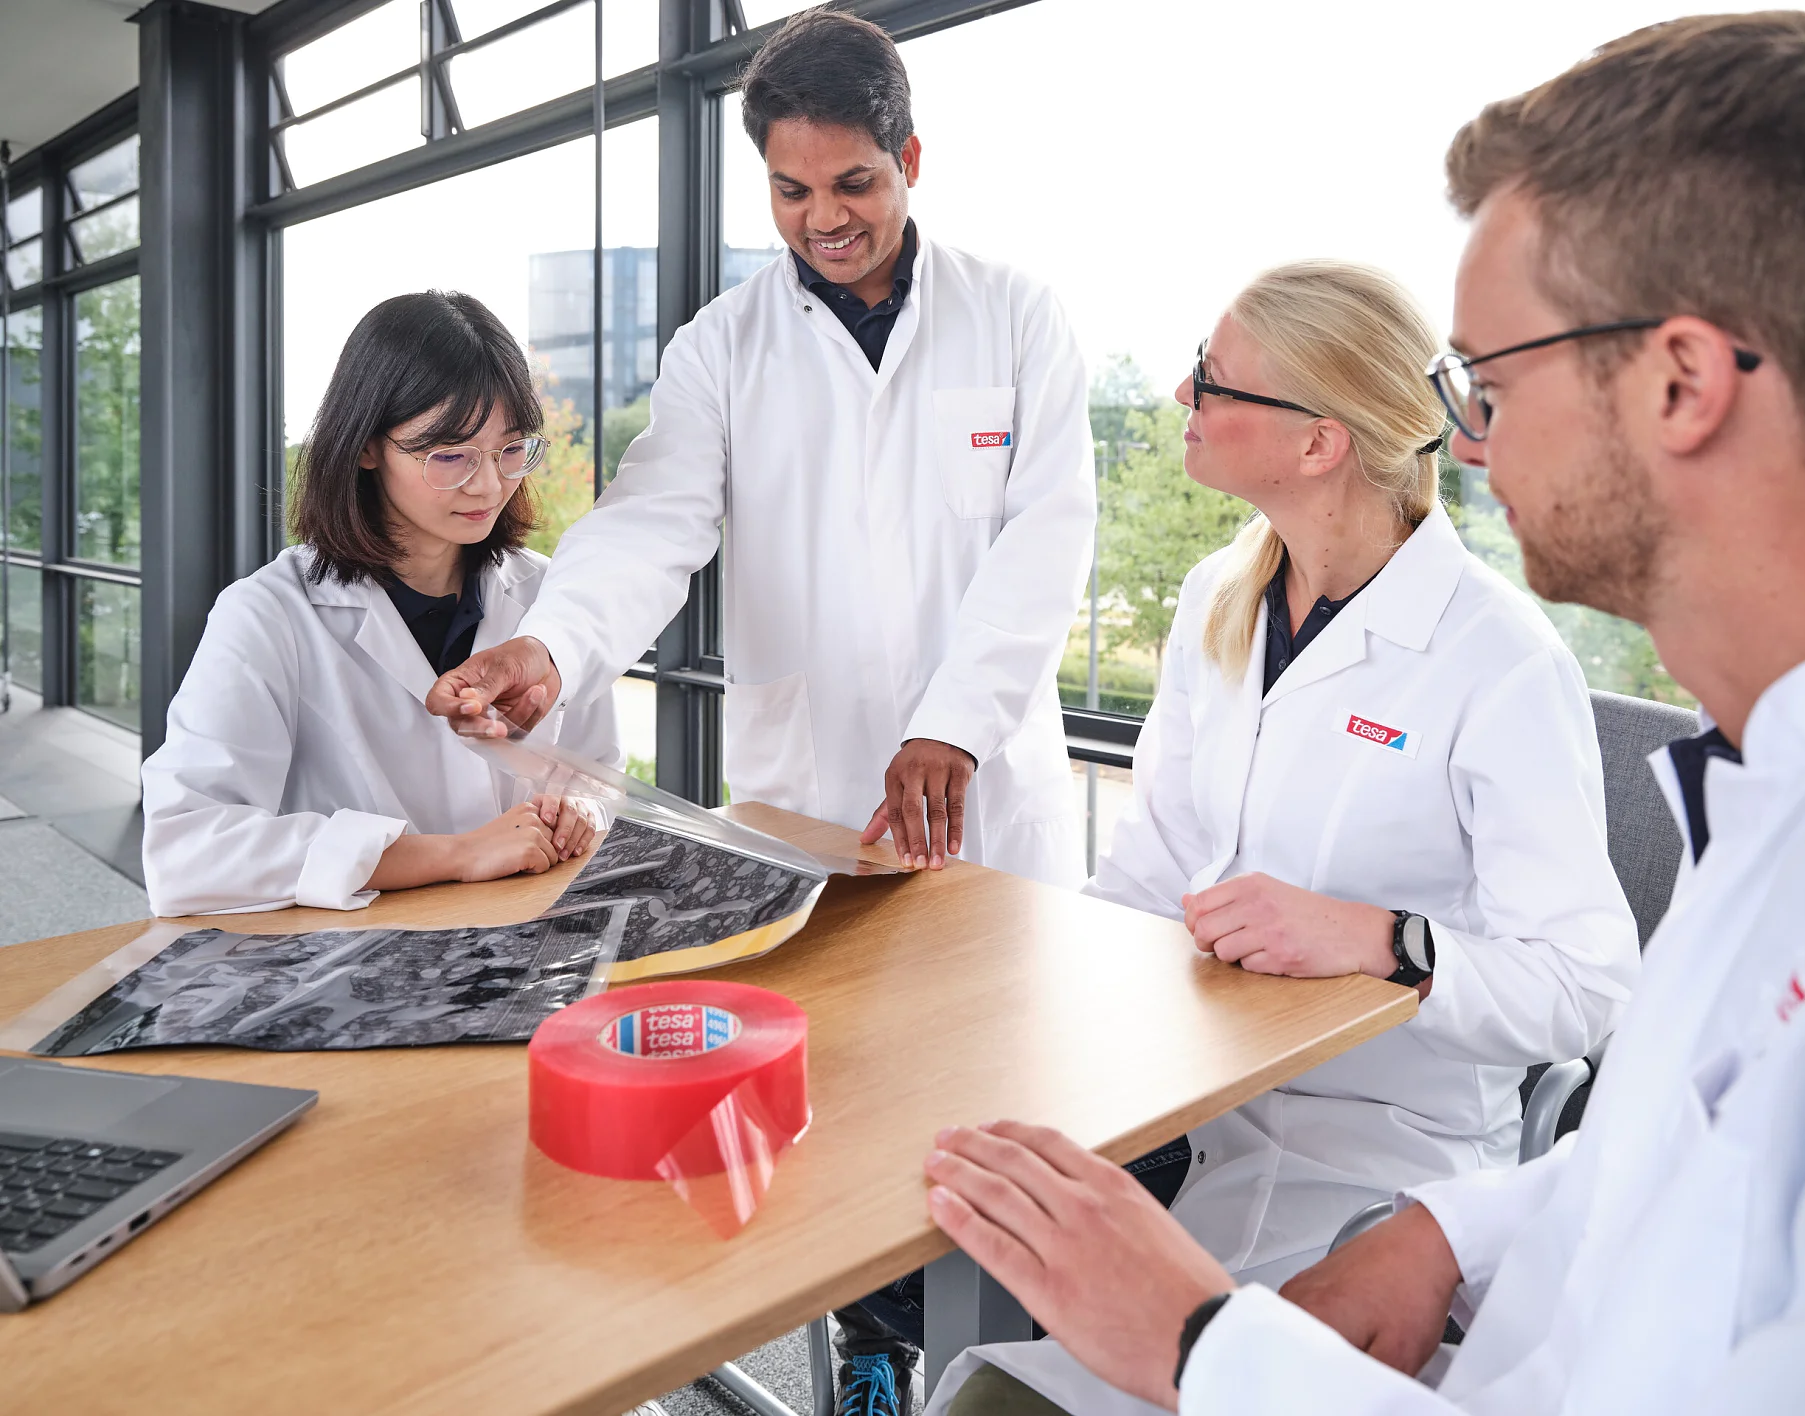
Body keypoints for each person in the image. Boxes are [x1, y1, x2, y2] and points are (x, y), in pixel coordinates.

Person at [918, 12, 1805, 1415]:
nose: (1466, 438)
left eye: (1489, 383)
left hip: (1359, 1154)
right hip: (1241, 1136)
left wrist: (1205, 1345)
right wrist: (1451, 1237)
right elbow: (1669, 1158)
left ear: (1680, 383)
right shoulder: (1785, 793)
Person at [920, 261, 1638, 1415]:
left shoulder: (1498, 661)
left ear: (1318, 445)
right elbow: (1153, 866)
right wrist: (1030, 1000)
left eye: (1213, 380)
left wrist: (1383, 939)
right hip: (1183, 1099)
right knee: (953, 1197)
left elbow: (1587, 987)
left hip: (1379, 1156)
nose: (1179, 396)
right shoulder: (1221, 595)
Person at [422, 9, 1094, 894]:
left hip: (991, 790)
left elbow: (1047, 538)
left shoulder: (1014, 316)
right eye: (791, 191)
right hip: (813, 794)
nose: (825, 219)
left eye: (853, 183)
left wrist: (959, 723)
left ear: (912, 161)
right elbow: (651, 526)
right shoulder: (722, 346)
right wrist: (550, 645)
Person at [141, 291, 614, 917]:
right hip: (349, 965)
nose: (489, 483)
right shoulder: (269, 614)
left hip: (529, 935)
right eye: (448, 455)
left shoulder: (550, 598)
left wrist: (581, 810)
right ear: (366, 447)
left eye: (510, 449)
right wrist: (455, 854)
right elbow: (186, 850)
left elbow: (598, 773)